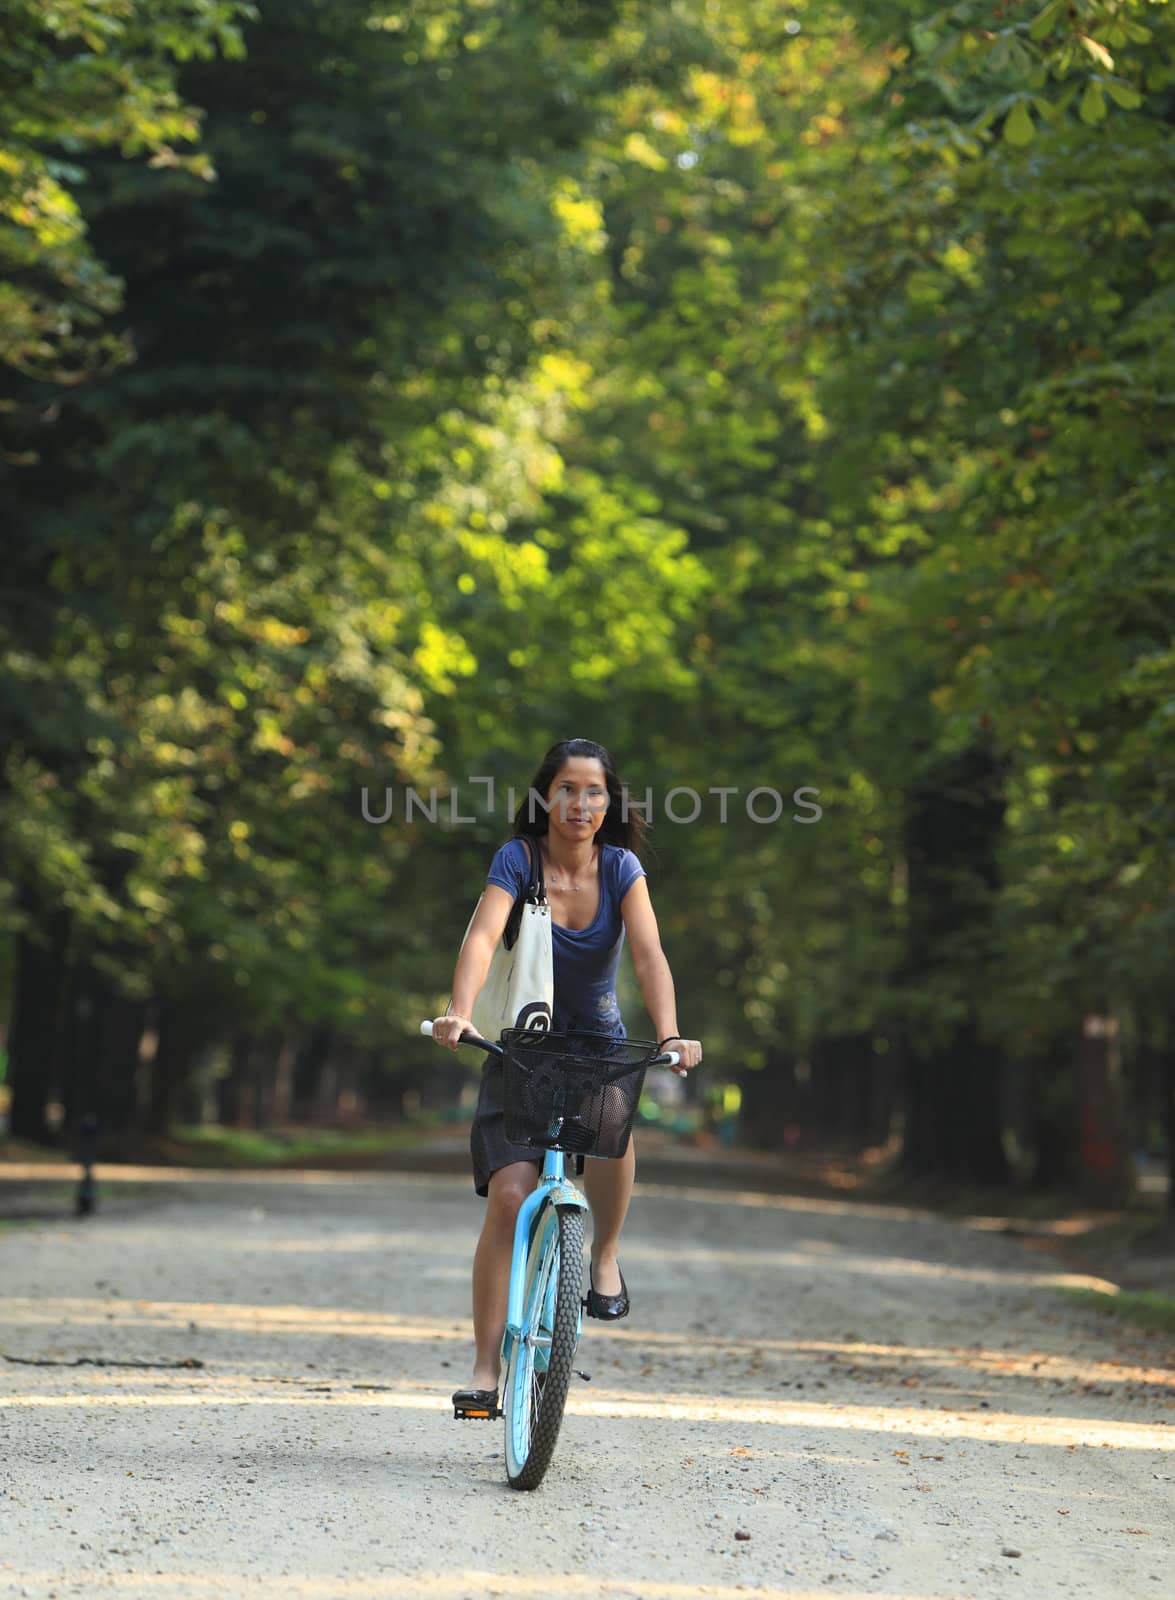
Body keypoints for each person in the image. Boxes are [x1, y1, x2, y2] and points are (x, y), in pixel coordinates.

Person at [430, 737, 703, 1415]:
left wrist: (669, 1034)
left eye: (594, 791)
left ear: (609, 803)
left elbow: (648, 955)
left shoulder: (622, 870)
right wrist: (458, 1014)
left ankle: (603, 1256)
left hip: (596, 1042)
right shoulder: (517, 860)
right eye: (567, 789)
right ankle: (485, 1371)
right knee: (508, 1195)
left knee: (615, 1131)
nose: (580, 803)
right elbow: (481, 937)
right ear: (543, 798)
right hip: (522, 1045)